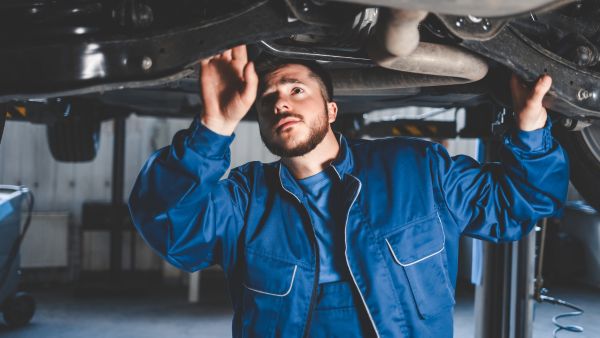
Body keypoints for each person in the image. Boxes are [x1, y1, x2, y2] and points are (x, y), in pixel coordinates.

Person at [128, 45, 569, 337]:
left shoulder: (417, 170)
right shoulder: (245, 200)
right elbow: (171, 228)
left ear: (331, 109)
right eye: (268, 99)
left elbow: (520, 204)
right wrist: (214, 128)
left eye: (297, 90)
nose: (281, 101)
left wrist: (530, 126)